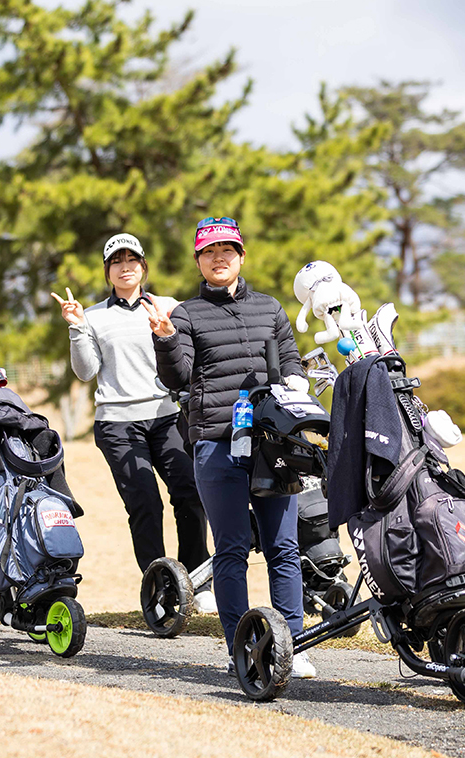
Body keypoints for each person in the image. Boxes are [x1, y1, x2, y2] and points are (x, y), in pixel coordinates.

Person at [143, 217, 317, 679]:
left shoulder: (270, 307)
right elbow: (177, 378)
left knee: (283, 546)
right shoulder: (185, 314)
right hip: (216, 444)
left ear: (241, 256)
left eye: (227, 250)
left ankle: (293, 645)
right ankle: (241, 645)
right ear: (199, 261)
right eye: (209, 253)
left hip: (272, 442)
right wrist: (164, 339)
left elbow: (291, 358)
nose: (219, 259)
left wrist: (295, 383)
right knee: (232, 548)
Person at [51, 233, 214, 612]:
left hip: (167, 416)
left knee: (191, 493)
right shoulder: (92, 316)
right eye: (116, 261)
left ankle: (197, 577)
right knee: (145, 504)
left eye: (132, 260)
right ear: (108, 271)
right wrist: (76, 327)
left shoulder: (169, 306)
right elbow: (85, 372)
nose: (125, 267)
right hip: (118, 425)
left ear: (144, 267)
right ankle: (159, 590)